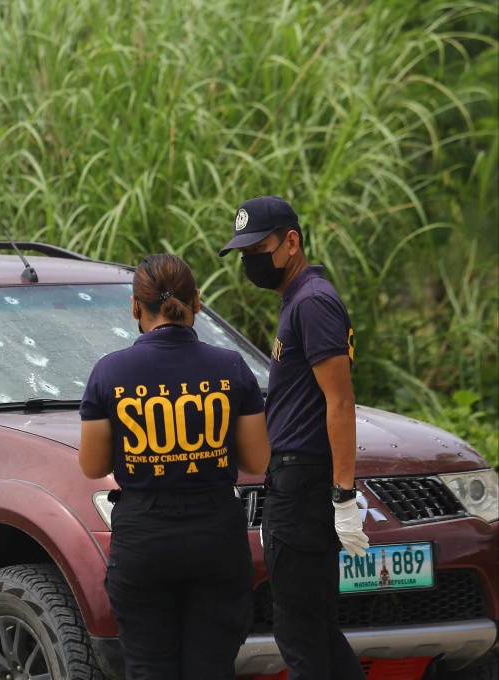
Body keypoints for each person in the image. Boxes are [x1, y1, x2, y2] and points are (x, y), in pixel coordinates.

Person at [79, 253, 271, 680]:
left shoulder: (109, 372)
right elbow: (258, 460)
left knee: (149, 669)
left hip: (143, 537)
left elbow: (92, 466)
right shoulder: (231, 368)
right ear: (197, 301)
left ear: (135, 307)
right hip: (217, 535)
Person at [218, 195, 369, 680]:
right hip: (295, 481)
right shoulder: (300, 301)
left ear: (291, 242)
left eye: (257, 249)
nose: (250, 261)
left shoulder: (313, 302)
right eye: (243, 253)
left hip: (302, 485)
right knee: (315, 631)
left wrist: (343, 496)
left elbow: (340, 402)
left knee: (300, 634)